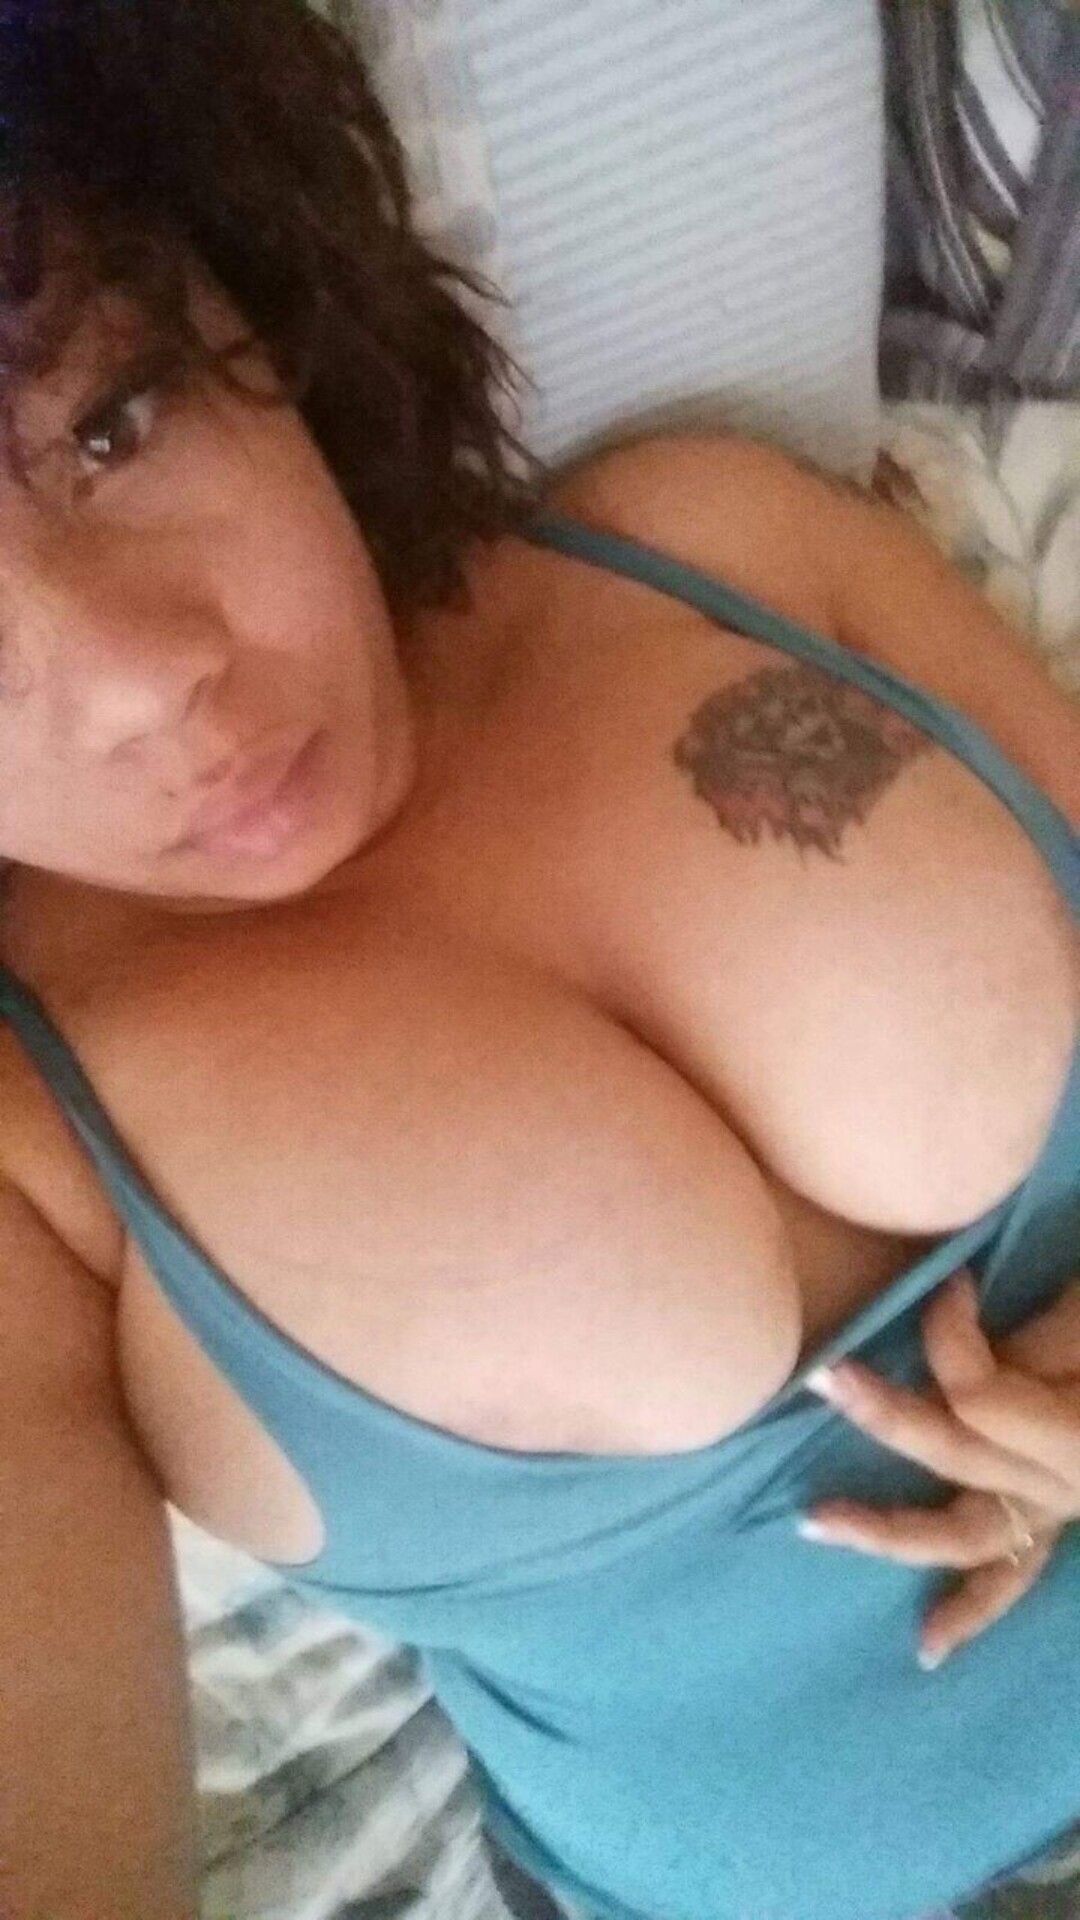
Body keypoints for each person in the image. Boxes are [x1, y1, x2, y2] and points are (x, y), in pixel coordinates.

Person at [0, 5, 1077, 1919]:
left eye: (113, 423)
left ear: (247, 288)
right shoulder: (30, 1161)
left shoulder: (714, 529)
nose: (148, 673)